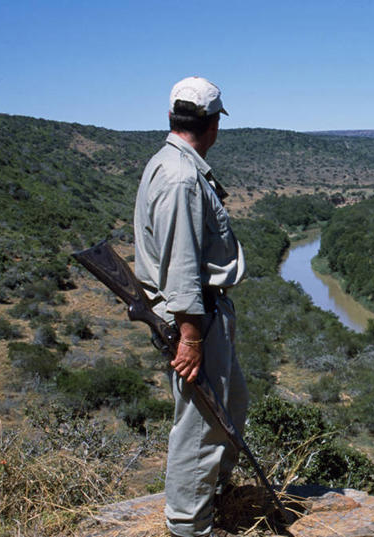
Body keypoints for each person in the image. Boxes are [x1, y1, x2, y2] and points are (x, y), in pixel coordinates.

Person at [133, 76, 248, 537]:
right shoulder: (181, 177)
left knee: (230, 406)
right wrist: (191, 337)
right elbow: (181, 265)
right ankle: (189, 526)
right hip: (193, 317)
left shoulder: (171, 164)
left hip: (202, 313)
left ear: (171, 116)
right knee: (202, 426)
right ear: (214, 123)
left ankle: (212, 497)